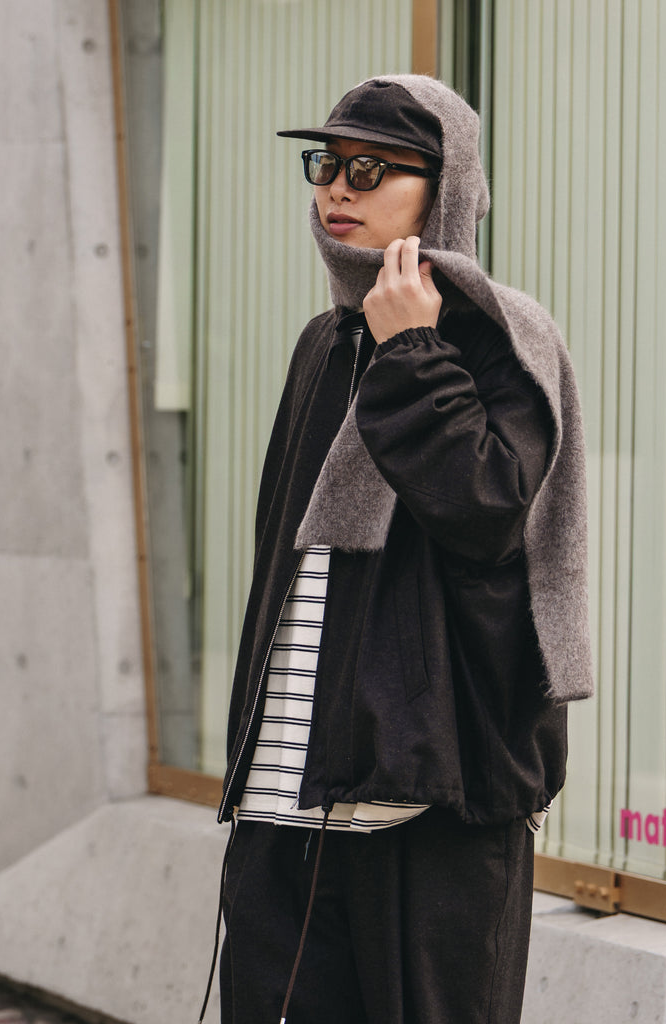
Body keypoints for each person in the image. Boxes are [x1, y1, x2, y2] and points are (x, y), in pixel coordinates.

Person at [205, 74, 592, 1024]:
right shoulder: (325, 343)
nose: (339, 188)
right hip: (285, 792)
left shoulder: (503, 338)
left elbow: (487, 513)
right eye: (328, 164)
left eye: (373, 169)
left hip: (431, 799)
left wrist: (415, 350)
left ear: (445, 188)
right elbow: (284, 561)